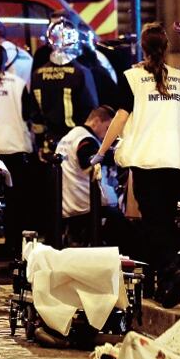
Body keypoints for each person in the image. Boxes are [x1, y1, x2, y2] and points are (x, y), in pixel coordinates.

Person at [95, 23, 180, 307]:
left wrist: (101, 151)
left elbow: (119, 117)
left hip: (146, 159)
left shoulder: (132, 78)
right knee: (165, 220)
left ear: (143, 48)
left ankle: (172, 271)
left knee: (153, 223)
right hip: (176, 160)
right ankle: (165, 283)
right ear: (166, 48)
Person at [0, 42, 35, 258]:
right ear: (7, 62)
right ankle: (13, 253)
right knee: (15, 207)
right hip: (15, 151)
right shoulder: (18, 83)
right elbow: (28, 117)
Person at [56, 104, 129, 250]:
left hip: (68, 205)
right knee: (127, 229)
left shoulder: (69, 136)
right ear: (96, 121)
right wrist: (119, 152)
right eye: (108, 128)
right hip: (86, 207)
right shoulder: (85, 139)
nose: (110, 134)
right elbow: (89, 161)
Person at [30, 14, 98, 144]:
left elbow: (34, 113)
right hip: (76, 139)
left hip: (49, 140)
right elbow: (91, 109)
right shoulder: (81, 72)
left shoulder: (38, 74)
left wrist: (41, 142)